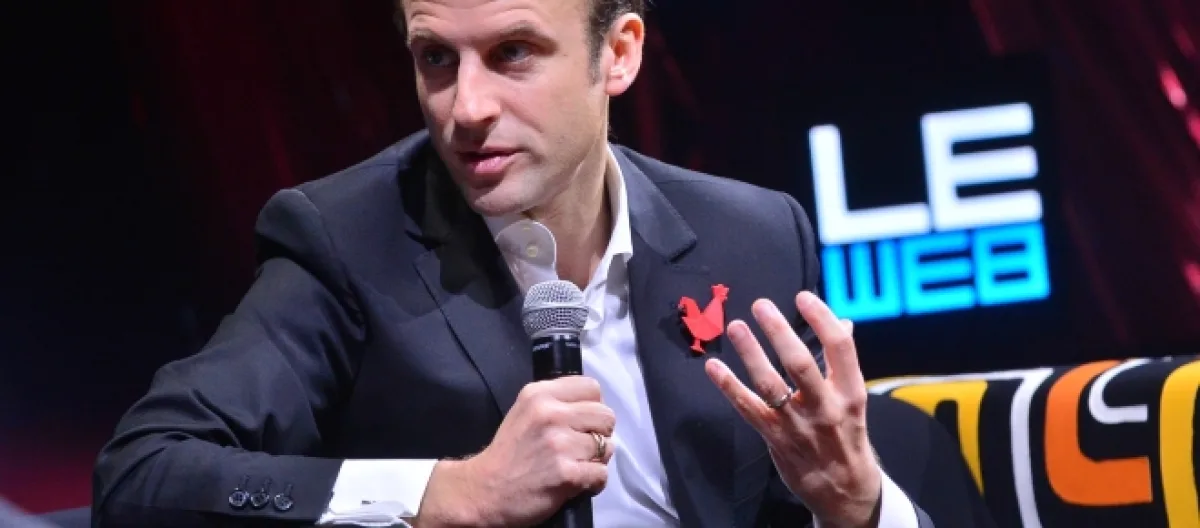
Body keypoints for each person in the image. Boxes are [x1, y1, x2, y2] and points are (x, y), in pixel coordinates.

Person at [93, 0, 993, 526]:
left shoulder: (754, 235)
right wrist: (449, 494)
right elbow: (144, 475)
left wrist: (858, 507)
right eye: (435, 59)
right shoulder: (344, 241)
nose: (465, 108)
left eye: (512, 53)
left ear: (619, 54)